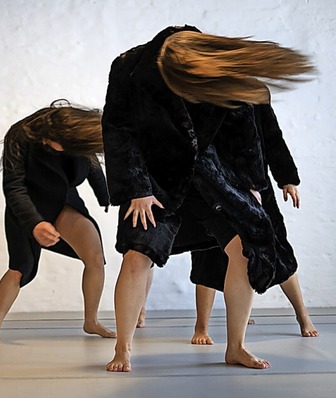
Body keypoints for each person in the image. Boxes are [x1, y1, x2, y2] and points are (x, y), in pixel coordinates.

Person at [101, 25, 314, 372]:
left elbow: (252, 131)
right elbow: (117, 128)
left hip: (213, 176)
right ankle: (122, 350)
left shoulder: (222, 69)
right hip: (157, 181)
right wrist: (137, 189)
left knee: (245, 250)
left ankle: (236, 347)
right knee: (137, 255)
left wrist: (254, 182)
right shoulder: (128, 67)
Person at [0, 100, 116, 344]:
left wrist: (107, 196)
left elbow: (93, 166)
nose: (53, 148)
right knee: (21, 269)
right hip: (27, 206)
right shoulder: (20, 135)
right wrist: (35, 224)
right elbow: (14, 187)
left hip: (62, 200)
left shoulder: (75, 135)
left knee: (95, 257)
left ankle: (91, 321)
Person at [190, 105, 318, 344]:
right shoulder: (204, 88)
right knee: (209, 255)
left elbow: (271, 135)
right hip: (215, 185)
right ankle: (202, 326)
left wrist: (287, 178)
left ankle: (303, 316)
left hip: (258, 186)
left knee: (276, 251)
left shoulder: (255, 91)